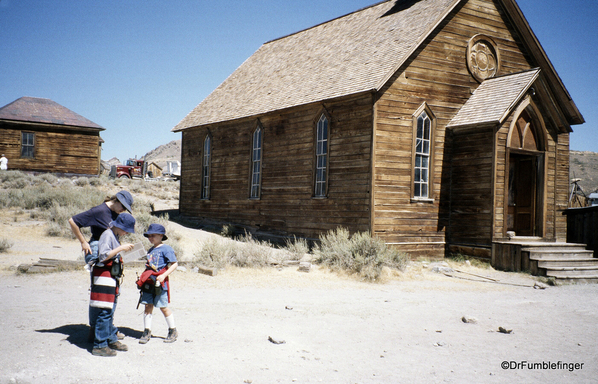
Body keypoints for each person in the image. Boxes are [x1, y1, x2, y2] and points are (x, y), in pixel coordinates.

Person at [69, 190, 134, 342]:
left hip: (109, 250)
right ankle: (100, 330)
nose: (123, 210)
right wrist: (83, 242)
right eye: (123, 206)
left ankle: (104, 329)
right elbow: (73, 221)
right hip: (100, 251)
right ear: (116, 200)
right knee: (102, 294)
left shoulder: (114, 213)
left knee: (107, 294)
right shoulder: (99, 211)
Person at [90, 213, 136, 357]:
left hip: (111, 277)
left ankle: (110, 338)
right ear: (119, 226)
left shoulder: (113, 236)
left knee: (109, 310)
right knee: (104, 311)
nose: (126, 232)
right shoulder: (107, 234)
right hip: (104, 276)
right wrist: (121, 249)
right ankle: (100, 345)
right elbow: (103, 256)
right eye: (125, 229)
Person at [137, 223, 179, 344]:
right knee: (147, 305)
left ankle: (173, 330)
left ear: (161, 236)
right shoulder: (150, 250)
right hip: (149, 282)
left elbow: (175, 264)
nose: (150, 238)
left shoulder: (166, 249)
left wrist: (164, 275)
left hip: (160, 283)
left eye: (153, 235)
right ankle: (146, 331)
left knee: (163, 307)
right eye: (149, 236)